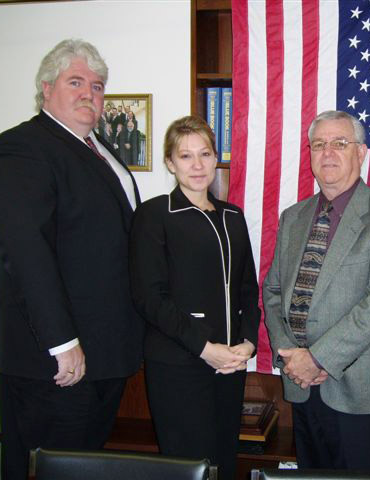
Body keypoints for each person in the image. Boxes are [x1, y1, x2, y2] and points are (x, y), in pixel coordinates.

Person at [0, 39, 143, 480]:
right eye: (76, 82)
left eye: (97, 86)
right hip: (57, 362)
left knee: (84, 467)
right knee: (49, 469)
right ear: (46, 88)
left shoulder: (100, 149)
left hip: (106, 357)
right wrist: (62, 344)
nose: (89, 93)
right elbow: (26, 251)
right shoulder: (22, 148)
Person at [263, 110, 370, 470]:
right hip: (300, 383)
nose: (328, 152)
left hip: (355, 387)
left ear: (361, 153)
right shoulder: (294, 217)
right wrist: (291, 355)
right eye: (319, 144)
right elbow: (273, 292)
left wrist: (316, 358)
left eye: (340, 143)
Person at [129, 115, 260, 480]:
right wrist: (205, 348)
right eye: (185, 156)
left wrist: (247, 342)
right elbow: (149, 298)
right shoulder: (155, 215)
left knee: (224, 460)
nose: (198, 165)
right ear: (170, 163)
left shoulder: (233, 216)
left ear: (216, 157)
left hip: (231, 364)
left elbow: (248, 289)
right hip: (179, 365)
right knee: (188, 467)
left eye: (205, 153)